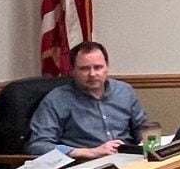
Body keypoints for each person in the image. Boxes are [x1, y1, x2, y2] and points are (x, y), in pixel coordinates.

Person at [29, 41, 159, 160]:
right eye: (84, 69)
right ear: (72, 70)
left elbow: (141, 127)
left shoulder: (124, 91)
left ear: (107, 67)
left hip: (129, 159)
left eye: (98, 67)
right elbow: (38, 145)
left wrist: (146, 140)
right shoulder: (57, 99)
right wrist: (89, 152)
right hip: (85, 165)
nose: (92, 74)